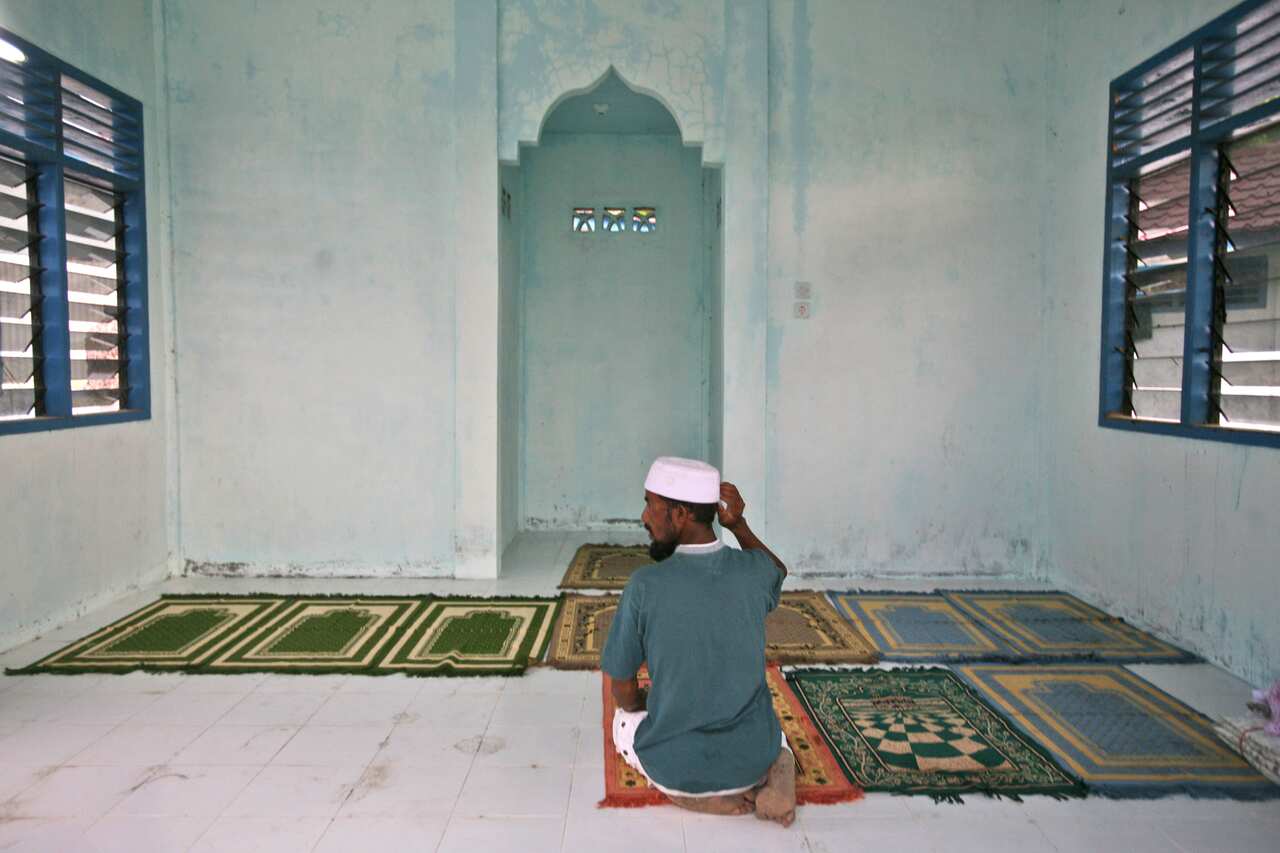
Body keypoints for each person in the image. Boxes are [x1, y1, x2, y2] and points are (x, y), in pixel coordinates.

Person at [600, 456, 795, 827]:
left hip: (678, 766)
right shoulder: (753, 572)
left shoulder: (644, 586)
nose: (644, 518)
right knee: (776, 730)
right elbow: (778, 572)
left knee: (622, 721)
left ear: (680, 515)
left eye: (650, 505)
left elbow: (622, 688)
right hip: (749, 758)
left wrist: (642, 701)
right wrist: (738, 525)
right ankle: (775, 781)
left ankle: (692, 796)